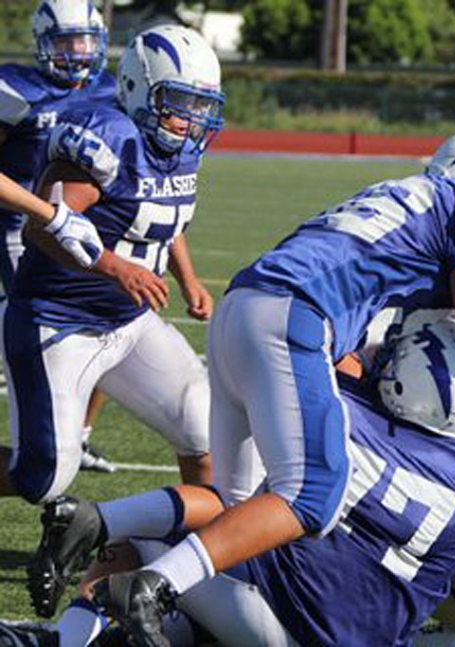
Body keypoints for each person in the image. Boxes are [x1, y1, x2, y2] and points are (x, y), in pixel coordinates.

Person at [53, 129, 455, 644]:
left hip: (244, 303)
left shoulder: (406, 202)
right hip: (296, 316)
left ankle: (104, 541)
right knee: (313, 496)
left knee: (241, 508)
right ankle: (158, 585)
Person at [6, 309, 455, 647]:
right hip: (372, 627)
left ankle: (68, 633)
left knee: (142, 560)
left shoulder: (348, 410)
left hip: (295, 618)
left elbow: (235, 503)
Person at [7, 24, 225, 619]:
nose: (193, 119)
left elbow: (166, 217)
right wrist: (112, 266)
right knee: (43, 476)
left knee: (201, 430)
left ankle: (187, 554)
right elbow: (42, 229)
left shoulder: (179, 147)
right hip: (60, 323)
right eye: (182, 103)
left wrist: (187, 277)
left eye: (203, 106)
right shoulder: (108, 138)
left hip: (128, 324)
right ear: (140, 88)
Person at [0, 0, 120, 473]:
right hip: (18, 226)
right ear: (43, 42)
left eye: (87, 41)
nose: (78, 52)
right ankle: (45, 439)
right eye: (67, 41)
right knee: (44, 321)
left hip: (85, 225)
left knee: (117, 317)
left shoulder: (112, 88)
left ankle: (81, 435)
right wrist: (44, 212)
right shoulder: (17, 88)